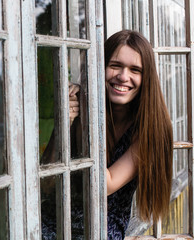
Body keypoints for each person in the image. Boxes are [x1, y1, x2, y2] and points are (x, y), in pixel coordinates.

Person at [68, 29, 173, 239]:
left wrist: (85, 113)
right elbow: (48, 181)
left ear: (147, 77)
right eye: (115, 65)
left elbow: (103, 185)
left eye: (135, 70)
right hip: (54, 219)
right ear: (100, 67)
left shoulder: (151, 128)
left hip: (102, 229)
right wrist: (66, 119)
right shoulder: (77, 108)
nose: (123, 77)